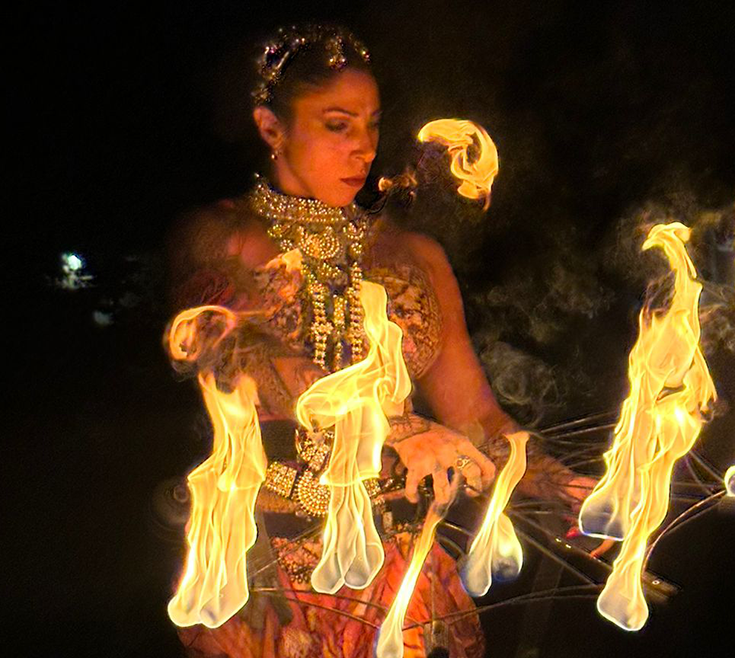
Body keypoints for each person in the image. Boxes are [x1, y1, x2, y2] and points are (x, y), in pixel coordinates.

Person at [167, 24, 588, 658]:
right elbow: (243, 352)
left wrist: (560, 486)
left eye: (372, 125)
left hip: (402, 574)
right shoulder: (221, 237)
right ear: (271, 127)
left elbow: (475, 417)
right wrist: (396, 427)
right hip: (273, 573)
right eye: (338, 125)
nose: (364, 148)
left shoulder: (413, 255)